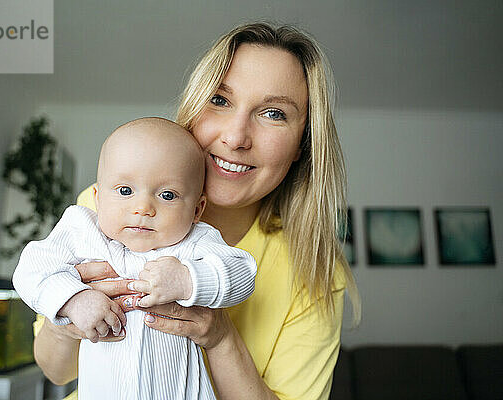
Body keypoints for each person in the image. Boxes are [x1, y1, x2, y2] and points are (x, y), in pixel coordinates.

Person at [33, 22, 361, 400]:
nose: (236, 138)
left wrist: (219, 336)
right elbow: (56, 372)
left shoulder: (314, 270)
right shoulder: (106, 211)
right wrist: (69, 311)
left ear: (302, 145)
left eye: (273, 113)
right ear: (193, 108)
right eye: (219, 100)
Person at [14, 118, 257, 399]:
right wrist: (72, 299)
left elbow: (244, 273)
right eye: (125, 191)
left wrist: (188, 280)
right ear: (97, 198)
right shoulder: (83, 231)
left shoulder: (195, 242)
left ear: (196, 210)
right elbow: (31, 268)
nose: (143, 208)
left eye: (167, 195)